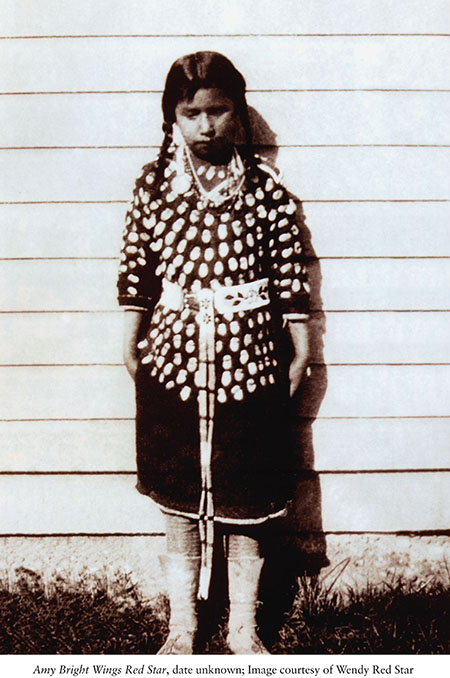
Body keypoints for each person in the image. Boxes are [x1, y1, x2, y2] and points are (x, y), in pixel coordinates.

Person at [117, 51, 310, 654]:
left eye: (219, 111)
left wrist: (299, 341)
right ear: (173, 116)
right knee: (178, 489)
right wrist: (132, 333)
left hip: (248, 359)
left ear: (238, 113)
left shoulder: (268, 193)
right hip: (173, 357)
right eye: (191, 112)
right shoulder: (153, 187)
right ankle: (183, 627)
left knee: (245, 490)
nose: (206, 125)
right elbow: (137, 266)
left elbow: (287, 272)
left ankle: (244, 628)